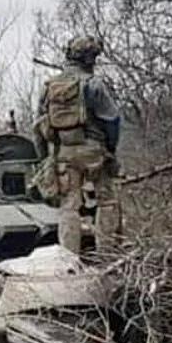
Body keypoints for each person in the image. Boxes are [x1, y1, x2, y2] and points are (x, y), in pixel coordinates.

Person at [36, 36, 122, 255]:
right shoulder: (93, 84)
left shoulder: (50, 87)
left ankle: (67, 257)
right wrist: (110, 150)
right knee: (107, 201)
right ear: (90, 59)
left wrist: (45, 157)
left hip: (64, 153)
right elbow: (112, 120)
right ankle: (106, 254)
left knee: (69, 206)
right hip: (94, 151)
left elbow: (38, 126)